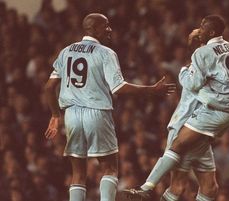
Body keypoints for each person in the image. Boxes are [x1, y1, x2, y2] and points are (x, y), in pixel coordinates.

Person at [119, 15, 229, 201]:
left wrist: (182, 72)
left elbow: (198, 84)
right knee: (178, 186)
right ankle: (145, 189)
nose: (200, 31)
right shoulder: (221, 53)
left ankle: (145, 188)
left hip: (202, 126)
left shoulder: (202, 65)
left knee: (210, 188)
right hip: (187, 123)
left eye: (203, 28)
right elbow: (208, 89)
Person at [44, 13, 176, 201]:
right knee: (110, 168)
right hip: (96, 112)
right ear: (93, 28)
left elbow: (49, 87)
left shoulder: (66, 52)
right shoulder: (105, 53)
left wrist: (55, 115)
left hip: (71, 115)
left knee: (78, 173)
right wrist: (152, 90)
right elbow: (119, 88)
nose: (109, 29)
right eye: (105, 26)